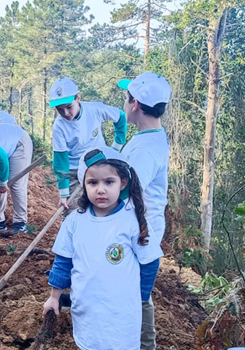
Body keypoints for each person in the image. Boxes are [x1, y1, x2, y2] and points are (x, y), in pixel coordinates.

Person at [43, 146, 159, 350]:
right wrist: (54, 297)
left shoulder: (133, 221)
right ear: (84, 184)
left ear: (122, 182)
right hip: (87, 313)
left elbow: (150, 262)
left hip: (122, 316)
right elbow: (63, 262)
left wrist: (138, 297)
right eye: (93, 182)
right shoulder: (74, 222)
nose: (101, 189)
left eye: (109, 182)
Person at [118, 71, 171, 350]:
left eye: (126, 99)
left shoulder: (146, 150)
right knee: (136, 297)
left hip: (140, 235)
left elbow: (129, 190)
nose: (124, 105)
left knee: (137, 299)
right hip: (143, 230)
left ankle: (143, 345)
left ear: (135, 103)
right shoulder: (151, 137)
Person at [49, 78, 127, 211]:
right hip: (73, 170)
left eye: (69, 107)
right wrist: (63, 193)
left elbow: (120, 117)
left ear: (78, 98)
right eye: (60, 110)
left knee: (102, 206)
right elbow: (61, 161)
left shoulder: (95, 109)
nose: (66, 113)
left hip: (98, 164)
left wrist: (116, 148)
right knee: (73, 210)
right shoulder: (59, 126)